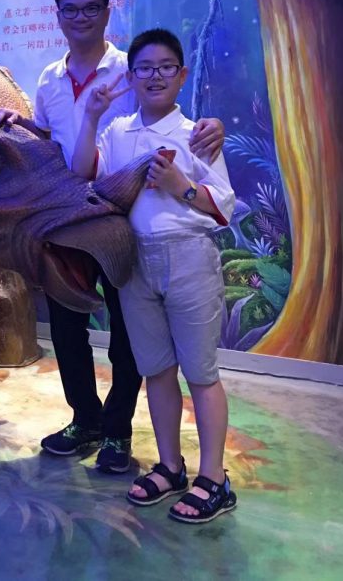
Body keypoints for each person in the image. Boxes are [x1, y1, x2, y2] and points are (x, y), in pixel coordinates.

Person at [0, 0, 224, 474]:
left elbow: (162, 117)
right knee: (66, 324)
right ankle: (84, 419)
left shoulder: (131, 69)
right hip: (67, 215)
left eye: (91, 8)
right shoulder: (49, 78)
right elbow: (51, 138)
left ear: (107, 12)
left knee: (127, 329)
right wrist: (16, 120)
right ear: (58, 16)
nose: (80, 17)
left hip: (121, 218)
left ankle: (116, 431)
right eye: (70, 9)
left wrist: (212, 125)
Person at [72, 27, 237, 523]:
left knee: (201, 374)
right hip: (135, 262)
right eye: (144, 68)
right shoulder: (118, 132)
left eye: (166, 67)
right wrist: (90, 115)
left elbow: (222, 207)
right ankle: (170, 466)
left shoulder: (197, 134)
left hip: (188, 258)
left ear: (181, 76)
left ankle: (215, 479)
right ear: (131, 76)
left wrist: (179, 185)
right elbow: (83, 171)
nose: (155, 76)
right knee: (157, 371)